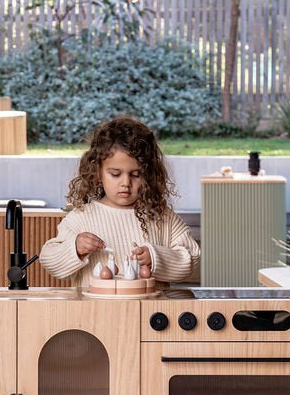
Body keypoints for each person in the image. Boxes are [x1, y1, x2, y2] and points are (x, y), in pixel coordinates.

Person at [39, 117, 200, 288]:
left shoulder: (161, 217)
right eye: (115, 174)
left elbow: (192, 258)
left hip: (149, 305)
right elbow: (49, 260)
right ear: (97, 172)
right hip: (94, 305)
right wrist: (75, 248)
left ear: (149, 176)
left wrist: (155, 258)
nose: (126, 183)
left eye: (136, 175)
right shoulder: (81, 217)